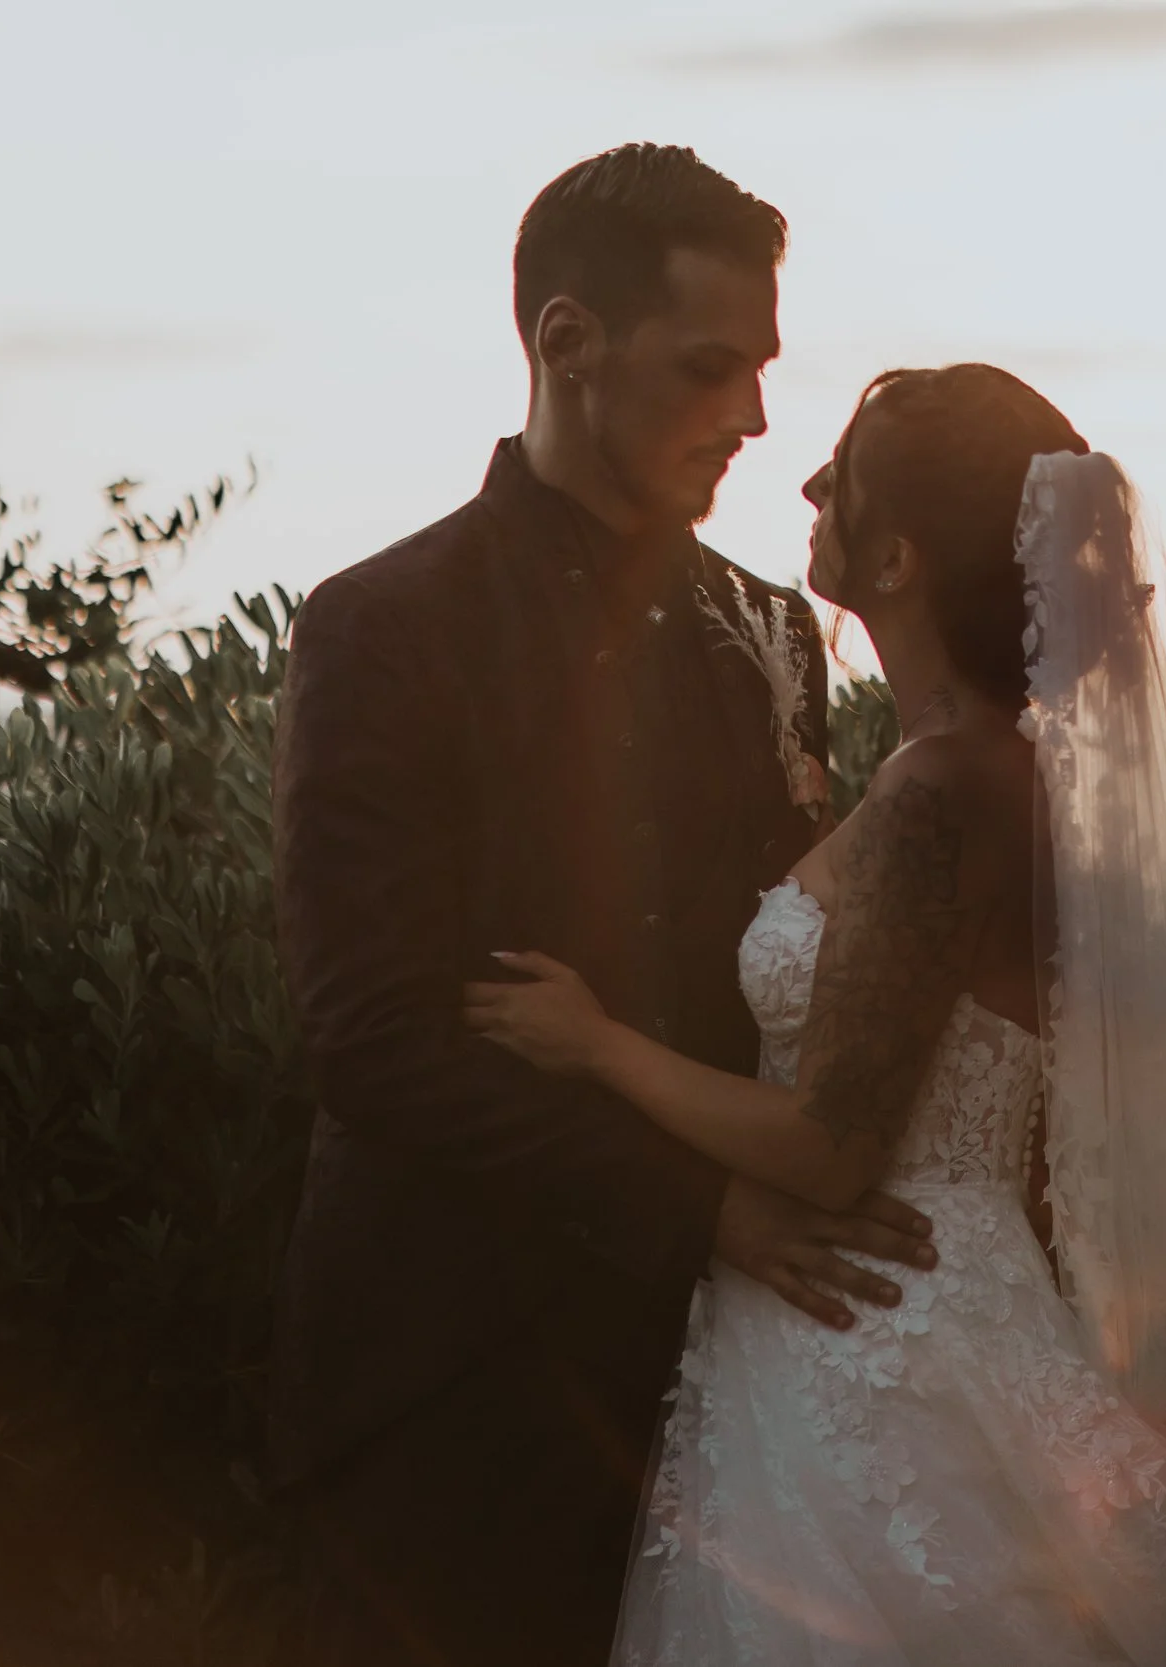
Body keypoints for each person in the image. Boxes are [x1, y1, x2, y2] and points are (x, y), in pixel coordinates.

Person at [466, 363, 1166, 1661]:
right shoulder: (1006, 773)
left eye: (842, 474)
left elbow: (830, 1145)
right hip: (955, 1311)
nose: (806, 485)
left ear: (901, 555)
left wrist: (601, 1044)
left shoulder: (941, 791)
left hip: (872, 1340)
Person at [269, 144, 934, 1667]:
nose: (757, 419)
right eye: (711, 368)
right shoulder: (381, 625)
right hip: (445, 1396)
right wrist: (703, 1208)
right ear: (568, 342)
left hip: (733, 1405)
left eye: (764, 368)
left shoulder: (773, 627)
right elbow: (375, 1041)